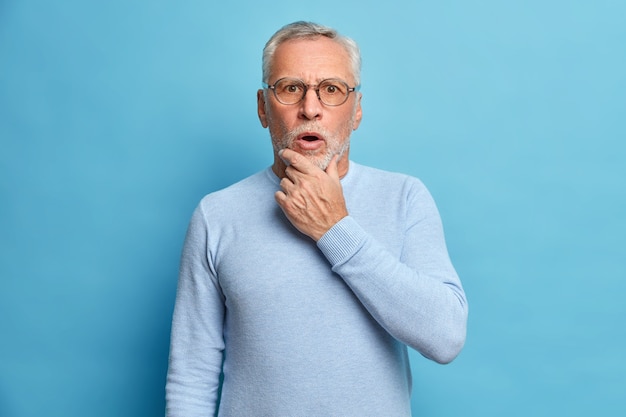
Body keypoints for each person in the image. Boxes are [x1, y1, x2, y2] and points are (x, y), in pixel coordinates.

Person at [166, 21, 468, 417]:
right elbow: (192, 374)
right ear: (262, 107)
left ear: (356, 110)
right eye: (291, 88)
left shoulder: (405, 198)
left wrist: (335, 229)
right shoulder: (216, 214)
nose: (310, 108)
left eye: (331, 89)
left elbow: (445, 337)